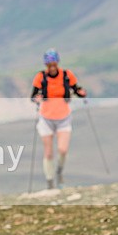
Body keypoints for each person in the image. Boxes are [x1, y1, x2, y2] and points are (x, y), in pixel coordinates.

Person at [30, 49, 86, 189]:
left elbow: (76, 89)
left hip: (63, 117)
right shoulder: (40, 77)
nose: (52, 67)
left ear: (57, 63)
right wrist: (37, 98)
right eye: (49, 65)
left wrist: (81, 93)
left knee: (63, 149)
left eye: (54, 64)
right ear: (46, 65)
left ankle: (59, 171)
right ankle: (50, 182)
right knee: (48, 153)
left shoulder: (67, 75)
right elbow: (33, 95)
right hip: (46, 118)